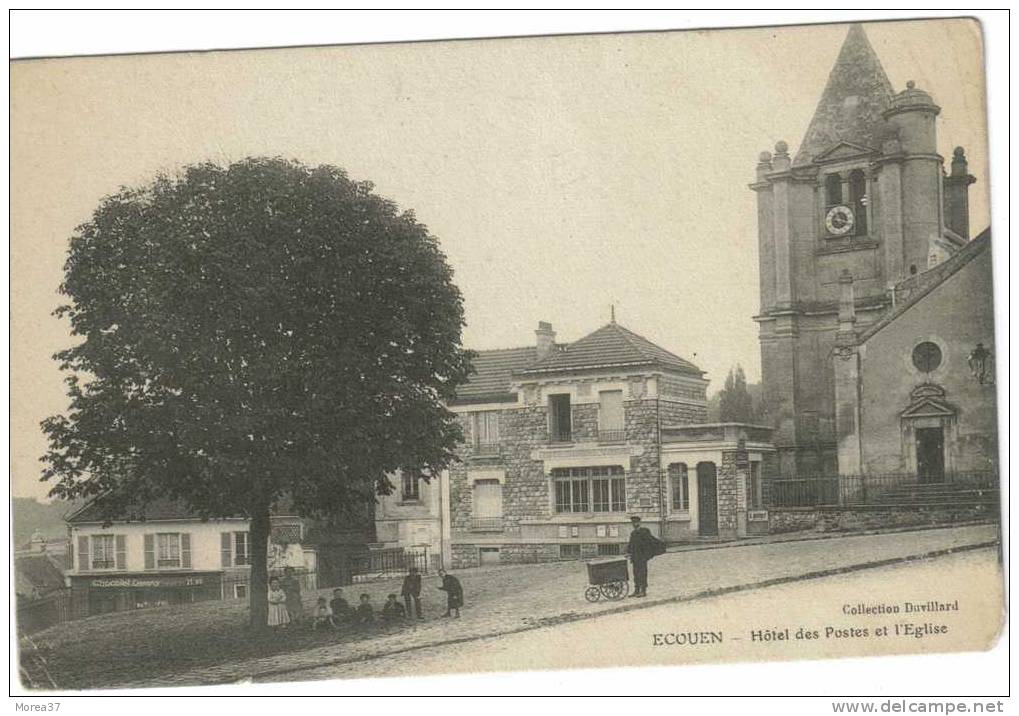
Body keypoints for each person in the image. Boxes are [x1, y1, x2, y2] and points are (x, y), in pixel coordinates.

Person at [625, 514, 662, 598]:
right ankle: (636, 590)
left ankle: (643, 591)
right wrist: (628, 552)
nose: (634, 524)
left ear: (639, 522)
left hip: (642, 557)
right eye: (633, 522)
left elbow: (650, 542)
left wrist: (647, 555)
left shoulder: (644, 531)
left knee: (643, 573)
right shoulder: (633, 533)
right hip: (634, 558)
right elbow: (631, 545)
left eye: (636, 522)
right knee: (636, 574)